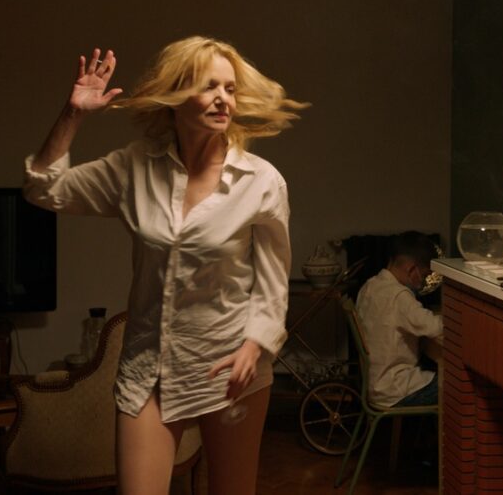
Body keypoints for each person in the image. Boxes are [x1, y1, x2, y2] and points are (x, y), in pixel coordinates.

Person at [23, 36, 304, 495]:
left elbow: (273, 282)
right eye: (208, 85)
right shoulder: (134, 167)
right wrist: (73, 114)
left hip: (231, 366)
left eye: (230, 89)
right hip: (147, 367)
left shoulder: (262, 181)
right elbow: (44, 190)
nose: (223, 99)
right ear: (176, 94)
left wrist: (256, 345)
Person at [355, 231, 443, 408]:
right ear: (411, 269)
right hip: (395, 388)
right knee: (455, 387)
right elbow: (436, 329)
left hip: (375, 383)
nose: (424, 282)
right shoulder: (399, 296)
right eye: (425, 275)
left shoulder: (370, 286)